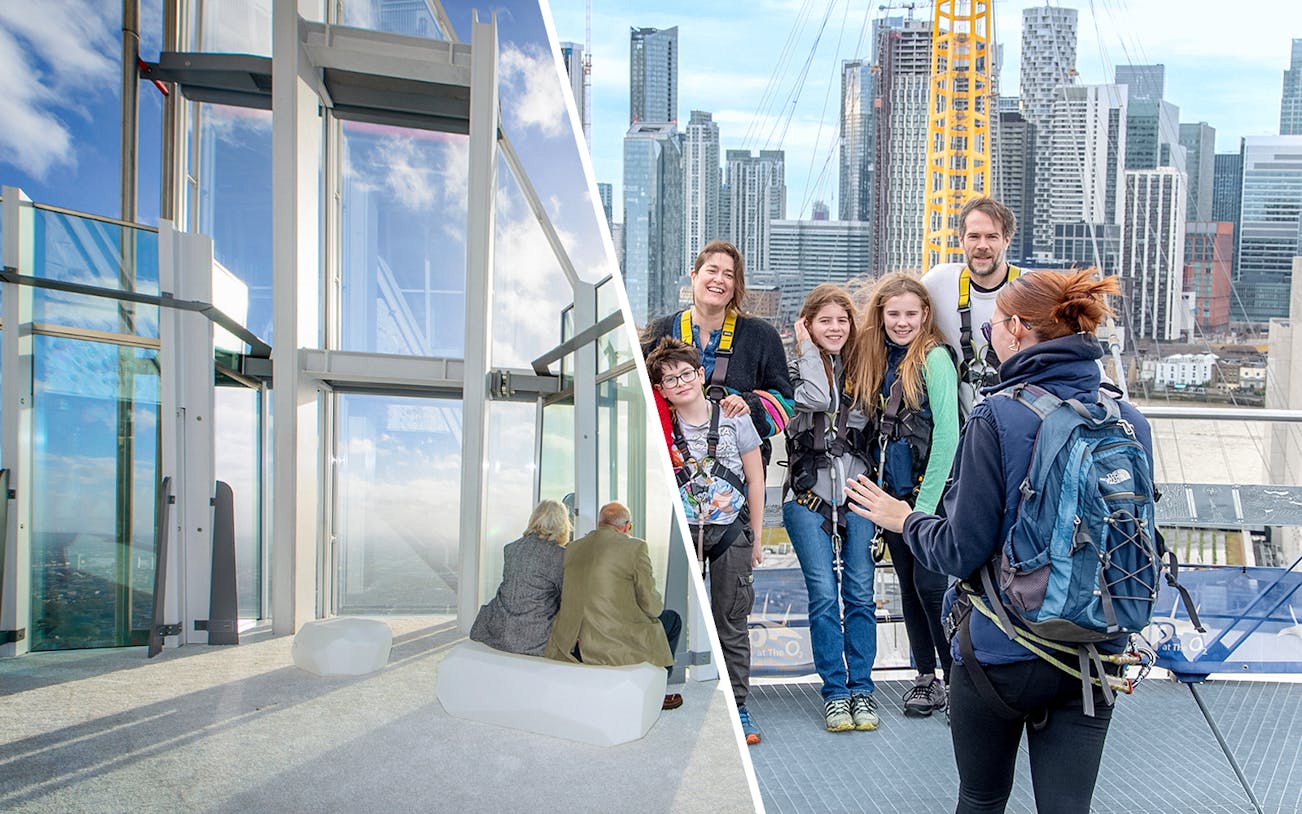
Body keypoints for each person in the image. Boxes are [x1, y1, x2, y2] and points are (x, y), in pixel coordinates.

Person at [846, 269, 1143, 814]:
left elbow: (961, 548)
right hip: (1097, 650)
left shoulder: (997, 415)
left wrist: (904, 519)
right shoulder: (1126, 418)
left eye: (993, 327)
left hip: (1003, 649)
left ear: (1014, 329)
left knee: (981, 799)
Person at [645, 336, 765, 743]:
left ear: (700, 375)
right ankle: (661, 684)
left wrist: (759, 538)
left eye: (685, 374)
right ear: (661, 390)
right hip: (687, 529)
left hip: (730, 530)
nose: (680, 383)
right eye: (669, 380)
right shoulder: (664, 425)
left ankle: (739, 707)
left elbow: (756, 479)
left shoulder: (733, 417)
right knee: (666, 609)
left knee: (731, 622)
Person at [850, 273, 959, 717]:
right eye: (893, 314)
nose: (901, 322)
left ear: (925, 315)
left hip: (924, 502)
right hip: (892, 499)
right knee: (911, 590)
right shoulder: (880, 360)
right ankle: (925, 676)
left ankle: (957, 680)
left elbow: (948, 436)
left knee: (934, 589)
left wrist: (924, 510)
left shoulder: (934, 360)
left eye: (910, 314)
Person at [781, 283, 880, 733]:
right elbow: (819, 400)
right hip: (807, 499)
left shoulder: (864, 372)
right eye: (824, 321)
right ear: (808, 324)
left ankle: (862, 688)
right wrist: (805, 346)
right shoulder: (793, 371)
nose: (835, 328)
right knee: (824, 598)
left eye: (842, 320)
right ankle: (836, 693)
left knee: (859, 595)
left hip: (858, 496)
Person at [641, 240, 793, 464]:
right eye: (712, 270)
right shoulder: (659, 331)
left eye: (729, 275)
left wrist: (749, 406)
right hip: (675, 469)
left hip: (738, 474)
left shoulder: (762, 336)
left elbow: (785, 405)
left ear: (735, 287)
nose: (719, 279)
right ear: (694, 277)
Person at [543, 502, 684, 710]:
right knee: (672, 620)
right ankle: (654, 691)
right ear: (626, 526)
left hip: (572, 642)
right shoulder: (635, 547)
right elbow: (652, 607)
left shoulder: (572, 548)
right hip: (610, 644)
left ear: (600, 523)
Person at [921, 196, 1022, 417]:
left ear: (1007, 240)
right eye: (974, 236)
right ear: (961, 240)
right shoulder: (938, 282)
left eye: (992, 237)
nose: (982, 245)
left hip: (1015, 417)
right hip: (959, 425)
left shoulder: (1030, 288)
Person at [469, 499, 572, 656]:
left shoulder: (511, 548)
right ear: (562, 525)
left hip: (498, 629)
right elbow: (565, 597)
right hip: (533, 638)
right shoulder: (560, 555)